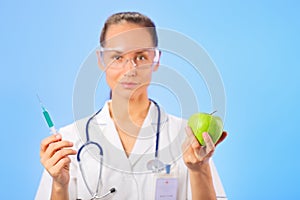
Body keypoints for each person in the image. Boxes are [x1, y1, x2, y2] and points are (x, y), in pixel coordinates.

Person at [36, 11, 228, 200]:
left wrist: (200, 169)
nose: (130, 69)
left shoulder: (186, 137)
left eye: (141, 57)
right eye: (117, 57)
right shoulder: (71, 139)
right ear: (101, 59)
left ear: (156, 59)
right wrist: (60, 186)